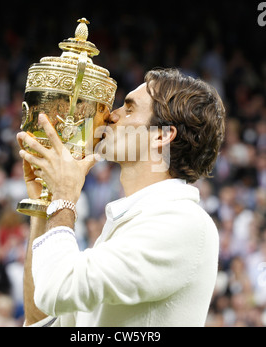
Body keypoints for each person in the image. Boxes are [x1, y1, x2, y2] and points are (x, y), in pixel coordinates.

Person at [17, 68, 226, 327]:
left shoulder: (183, 222)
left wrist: (64, 199)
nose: (111, 116)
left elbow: (58, 290)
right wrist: (45, 207)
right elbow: (42, 320)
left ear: (161, 135)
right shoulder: (136, 219)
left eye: (129, 109)